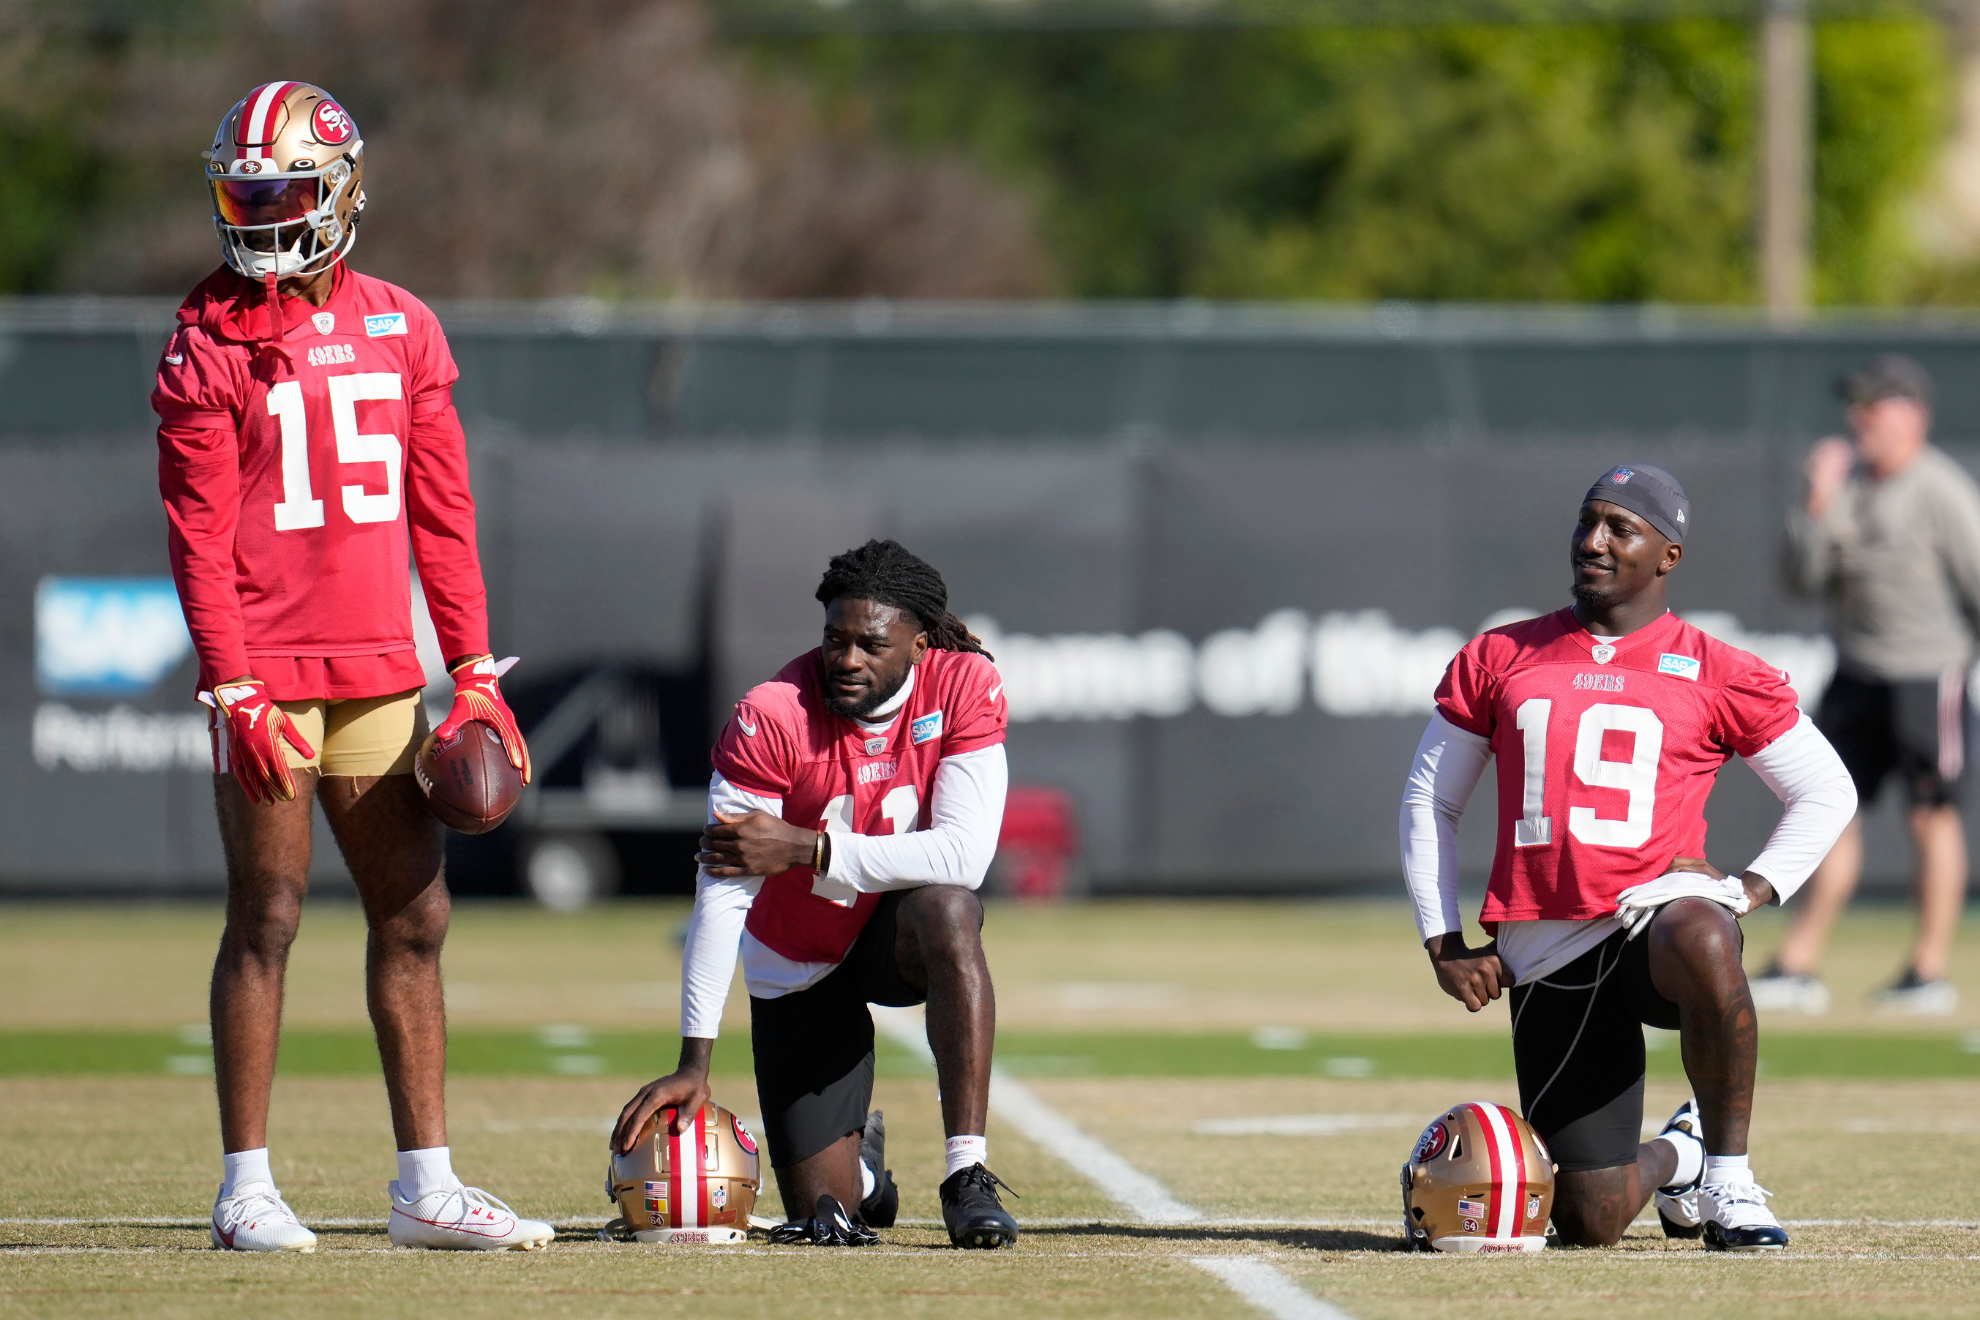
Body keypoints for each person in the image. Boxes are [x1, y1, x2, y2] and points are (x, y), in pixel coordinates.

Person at [153, 82, 547, 1253]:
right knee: (266, 916)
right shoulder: (205, 341)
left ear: (342, 193)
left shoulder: (403, 325)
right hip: (268, 675)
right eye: (246, 192)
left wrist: (473, 669)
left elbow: (443, 509)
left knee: (414, 916)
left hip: (380, 670)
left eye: (284, 190)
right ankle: (245, 1188)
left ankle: (426, 1185)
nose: (264, 213)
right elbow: (198, 534)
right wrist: (230, 682)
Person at [1399, 464, 1857, 1250]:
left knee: (1705, 933)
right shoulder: (1502, 654)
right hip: (1544, 944)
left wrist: (1751, 889)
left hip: (1656, 920)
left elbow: (1826, 789)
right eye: (1588, 522)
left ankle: (1729, 1179)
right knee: (1587, 1218)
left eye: (1621, 527)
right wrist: (1443, 940)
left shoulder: (1718, 667)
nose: (1594, 542)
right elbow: (1430, 801)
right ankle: (1680, 1154)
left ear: (1667, 554)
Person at [613, 540, 1020, 1249]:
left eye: (871, 643)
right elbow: (721, 893)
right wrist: (694, 1061)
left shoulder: (964, 685)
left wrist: (808, 847)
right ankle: (866, 1176)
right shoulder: (772, 713)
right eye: (835, 638)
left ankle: (966, 1174)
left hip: (892, 936)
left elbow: (966, 854)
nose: (848, 658)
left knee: (950, 907)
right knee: (826, 1214)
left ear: (920, 646)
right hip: (797, 957)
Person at [1755, 355, 1980, 1016]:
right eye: (1857, 406)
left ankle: (1927, 970)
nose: (1860, 420)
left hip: (1926, 673)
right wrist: (1817, 502)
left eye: (1874, 406)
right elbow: (1801, 581)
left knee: (1929, 812)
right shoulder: (1845, 484)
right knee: (1829, 809)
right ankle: (1797, 964)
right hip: (1856, 673)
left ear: (1912, 415)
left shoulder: (1939, 489)